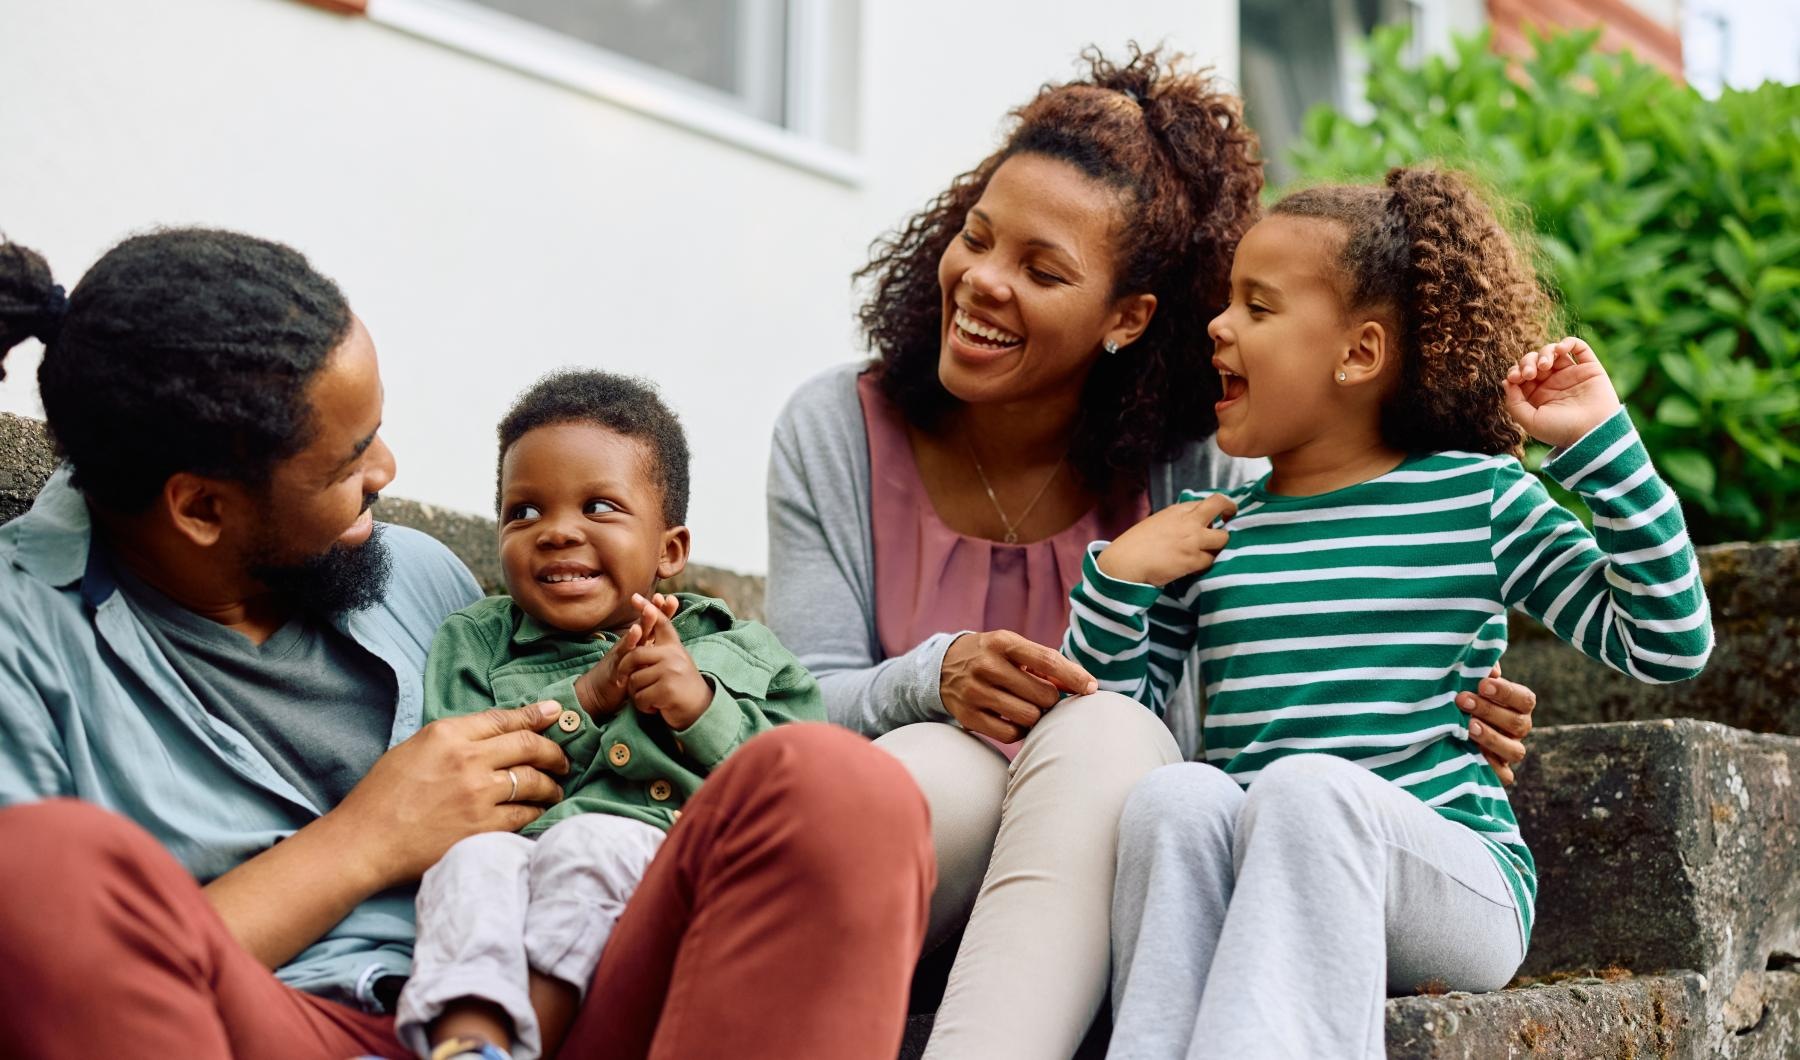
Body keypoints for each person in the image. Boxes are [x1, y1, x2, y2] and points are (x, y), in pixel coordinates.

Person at [765, 47, 1541, 1059]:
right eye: (978, 237)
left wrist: (1430, 687)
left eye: (1043, 270)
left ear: (1129, 318)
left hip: (1113, 856)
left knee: (1111, 742)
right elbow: (780, 709)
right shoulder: (834, 427)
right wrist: (929, 679)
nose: (982, 282)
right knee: (948, 763)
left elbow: (1259, 697)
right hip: (908, 870)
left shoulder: (1208, 463)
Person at [0, 229, 933, 1059]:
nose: (386, 472)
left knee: (841, 786)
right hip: (264, 1018)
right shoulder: (21, 634)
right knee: (39, 871)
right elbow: (55, 960)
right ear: (202, 506)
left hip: (553, 996)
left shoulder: (416, 574)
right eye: (347, 459)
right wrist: (363, 842)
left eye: (377, 434)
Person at [1066, 168, 1714, 1058]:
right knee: (1173, 796)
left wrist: (1602, 447)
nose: (1219, 325)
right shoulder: (1215, 534)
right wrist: (1118, 586)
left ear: (1358, 354)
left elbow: (1667, 639)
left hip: (1451, 879)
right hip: (1267, 875)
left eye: (1258, 307)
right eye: (1229, 303)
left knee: (1307, 788)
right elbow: (1111, 742)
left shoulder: (1477, 499)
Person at [397, 369, 827, 1060]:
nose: (556, 532)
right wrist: (586, 700)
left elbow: (809, 779)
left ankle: (531, 1041)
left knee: (588, 844)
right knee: (472, 862)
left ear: (670, 551)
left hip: (670, 879)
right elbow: (457, 772)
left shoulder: (741, 649)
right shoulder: (475, 640)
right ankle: (467, 1042)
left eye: (598, 507)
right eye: (524, 512)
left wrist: (702, 710)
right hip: (520, 859)